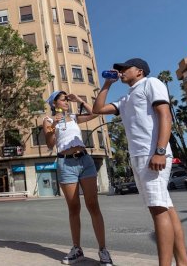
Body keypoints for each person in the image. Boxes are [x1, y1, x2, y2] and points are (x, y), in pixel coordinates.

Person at [92, 58, 187, 266]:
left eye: (125, 68)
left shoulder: (151, 83)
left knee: (157, 209)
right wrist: (108, 84)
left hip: (152, 153)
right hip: (139, 156)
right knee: (165, 208)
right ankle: (183, 263)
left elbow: (165, 115)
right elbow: (97, 109)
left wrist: (160, 151)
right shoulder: (126, 98)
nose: (121, 71)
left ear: (140, 71)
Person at [43, 91, 114, 265]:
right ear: (54, 103)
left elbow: (95, 113)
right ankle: (77, 249)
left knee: (93, 205)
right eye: (63, 99)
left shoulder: (74, 117)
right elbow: (50, 144)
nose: (67, 101)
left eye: (67, 99)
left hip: (85, 161)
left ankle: (103, 250)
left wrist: (80, 99)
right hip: (66, 164)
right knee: (74, 208)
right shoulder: (49, 120)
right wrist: (54, 126)